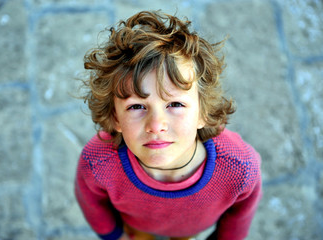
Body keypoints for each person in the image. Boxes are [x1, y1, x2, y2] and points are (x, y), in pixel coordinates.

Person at [75, 10, 262, 240]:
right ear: (115, 118)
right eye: (136, 106)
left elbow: (241, 214)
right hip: (135, 229)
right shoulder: (98, 161)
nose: (156, 125)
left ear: (203, 111)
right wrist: (115, 236)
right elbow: (90, 201)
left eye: (174, 103)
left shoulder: (239, 166)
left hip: (190, 230)